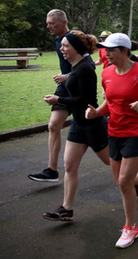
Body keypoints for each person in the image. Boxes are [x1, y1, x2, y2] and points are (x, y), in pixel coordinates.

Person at [85, 33, 138, 249]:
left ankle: (130, 227)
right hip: (114, 132)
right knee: (121, 180)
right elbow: (109, 101)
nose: (106, 53)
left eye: (110, 50)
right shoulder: (106, 73)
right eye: (105, 50)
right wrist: (96, 113)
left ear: (124, 51)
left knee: (124, 182)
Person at [42, 30, 110, 221]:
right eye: (62, 45)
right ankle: (66, 209)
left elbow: (85, 100)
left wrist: (58, 99)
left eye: (65, 46)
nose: (62, 49)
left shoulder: (85, 68)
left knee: (111, 163)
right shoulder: (76, 66)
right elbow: (75, 84)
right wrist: (66, 79)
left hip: (93, 124)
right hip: (78, 125)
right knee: (69, 166)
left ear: (76, 48)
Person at [29, 9, 80, 182]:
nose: (48, 26)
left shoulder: (75, 39)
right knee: (53, 125)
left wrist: (67, 76)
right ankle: (51, 169)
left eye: (51, 23)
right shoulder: (57, 39)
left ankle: (130, 171)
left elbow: (87, 64)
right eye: (47, 23)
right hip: (65, 89)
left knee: (96, 138)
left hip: (79, 89)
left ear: (63, 22)